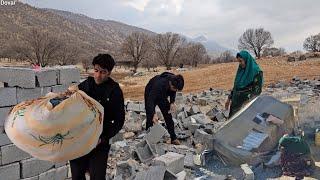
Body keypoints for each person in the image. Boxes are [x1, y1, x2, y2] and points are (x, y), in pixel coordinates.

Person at [70, 54, 125, 180]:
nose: (98, 75)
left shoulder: (114, 90)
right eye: (96, 71)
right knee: (77, 174)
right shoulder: (86, 85)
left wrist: (103, 138)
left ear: (109, 72)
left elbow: (119, 120)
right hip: (80, 139)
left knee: (97, 176)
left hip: (100, 141)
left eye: (103, 72)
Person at [144, 72, 184, 145]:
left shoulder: (174, 80)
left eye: (177, 89)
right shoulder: (159, 85)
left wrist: (172, 102)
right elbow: (150, 101)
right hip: (150, 92)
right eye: (175, 88)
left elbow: (173, 92)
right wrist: (153, 113)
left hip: (162, 96)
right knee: (150, 117)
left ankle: (173, 137)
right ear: (170, 83)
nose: (175, 90)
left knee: (168, 115)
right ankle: (148, 139)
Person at [225, 50, 263, 118]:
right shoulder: (241, 70)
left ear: (246, 60)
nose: (240, 63)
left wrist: (247, 103)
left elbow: (257, 91)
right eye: (238, 61)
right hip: (235, 103)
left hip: (246, 105)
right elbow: (236, 86)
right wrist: (229, 98)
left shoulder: (256, 72)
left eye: (241, 61)